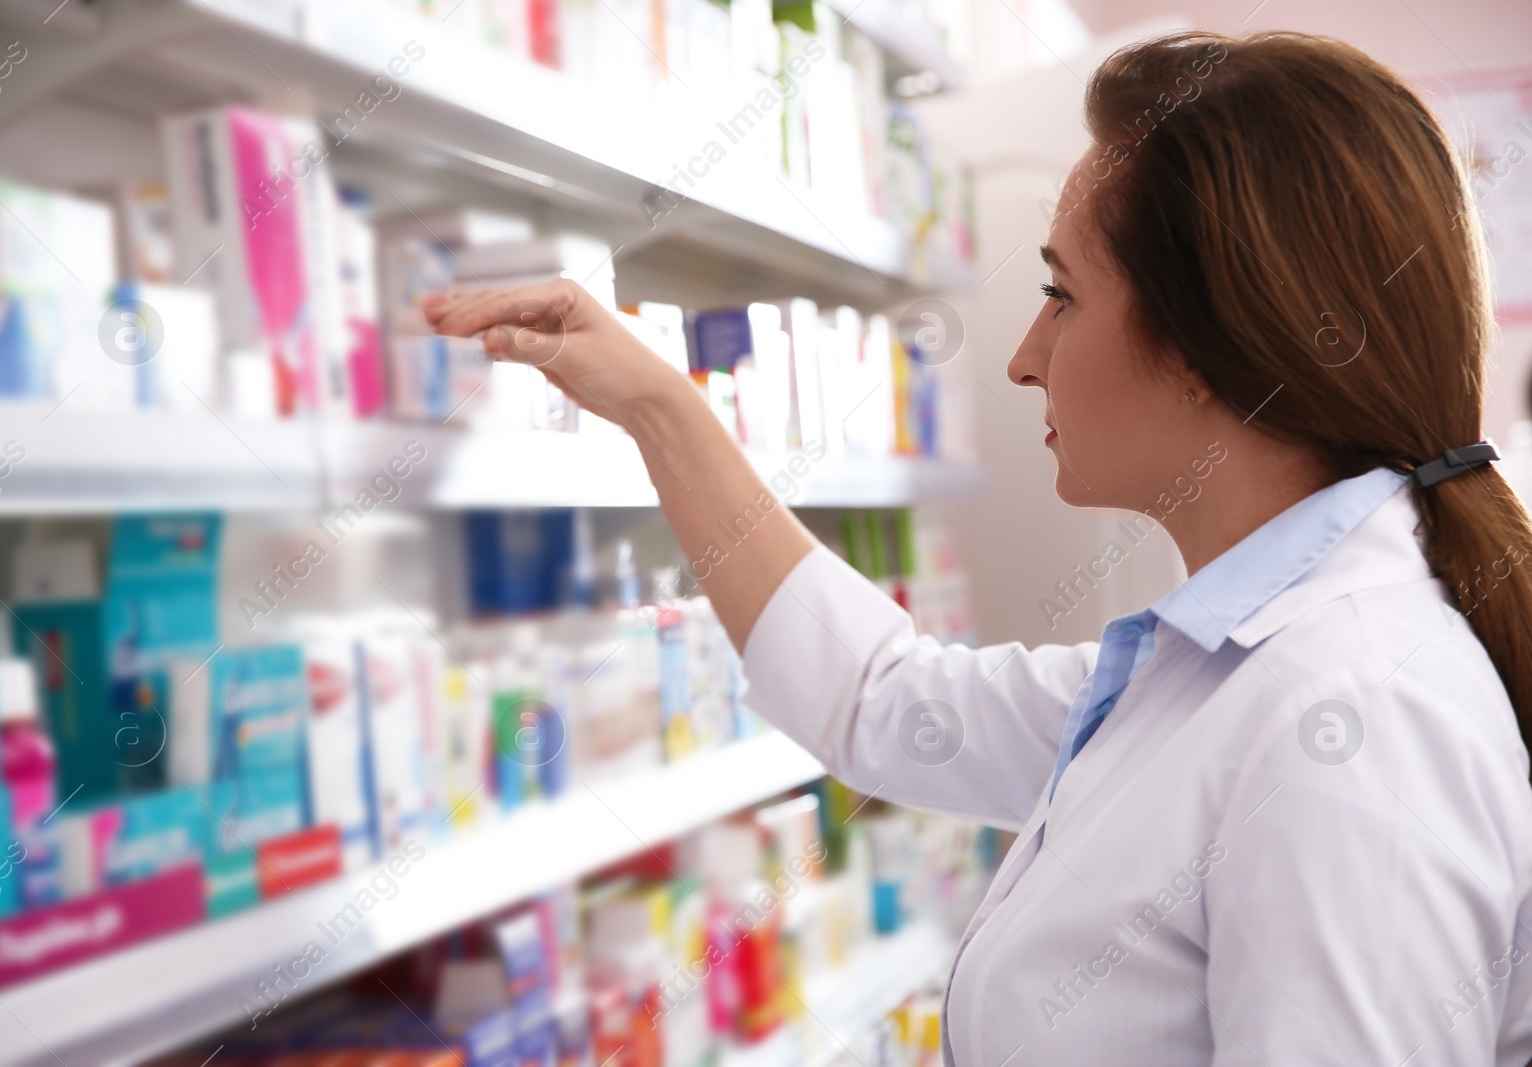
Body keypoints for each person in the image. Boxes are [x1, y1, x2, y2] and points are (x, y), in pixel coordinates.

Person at [425, 30, 1532, 1066]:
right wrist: (662, 407)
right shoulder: (1211, 666)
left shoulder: (1350, 723)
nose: (1021, 356)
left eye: (1060, 294)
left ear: (1209, 346)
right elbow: (883, 698)